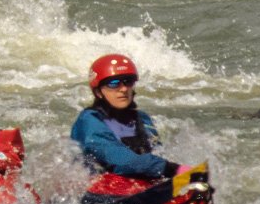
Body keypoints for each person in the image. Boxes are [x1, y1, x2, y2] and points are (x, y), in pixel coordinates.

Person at [69, 54, 187, 182]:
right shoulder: (89, 121)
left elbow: (157, 153)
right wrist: (173, 169)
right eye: (114, 84)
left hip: (135, 185)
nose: (123, 89)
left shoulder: (142, 119)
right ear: (98, 92)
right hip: (96, 190)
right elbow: (119, 159)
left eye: (128, 81)